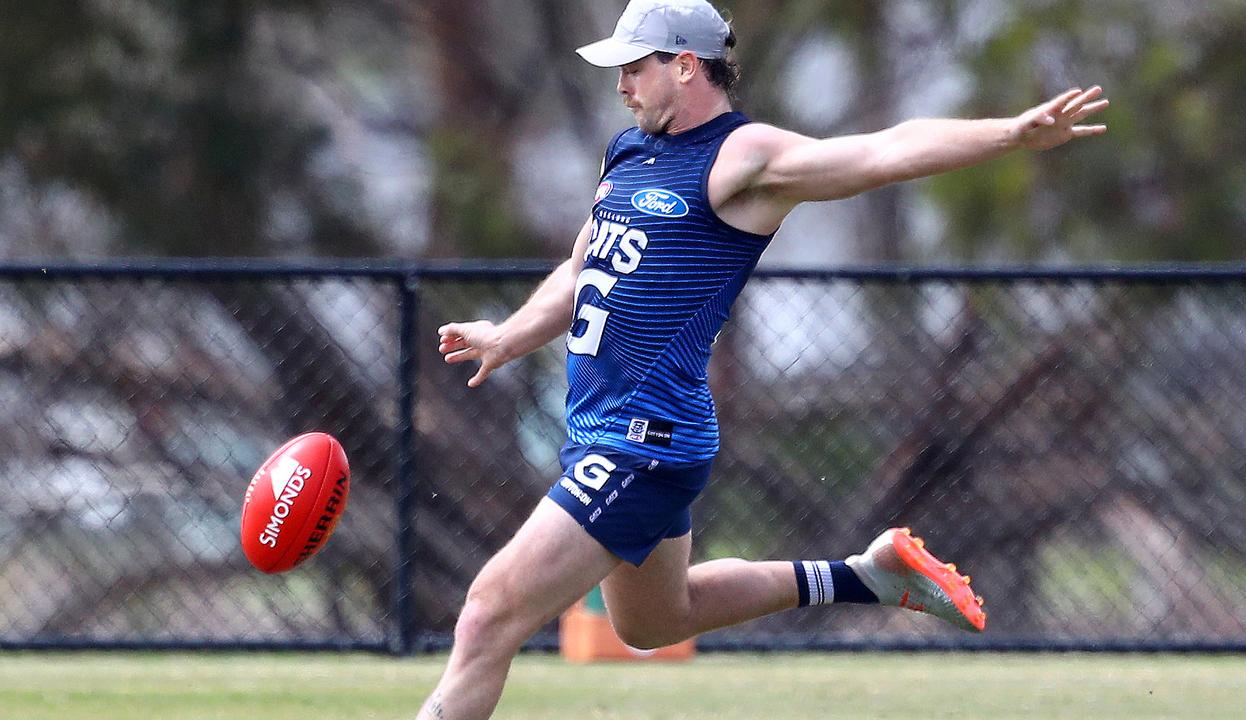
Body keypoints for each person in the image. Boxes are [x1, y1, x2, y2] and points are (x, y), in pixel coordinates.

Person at [421, 1, 1107, 717]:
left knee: (486, 614)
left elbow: (883, 151)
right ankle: (863, 578)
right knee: (654, 621)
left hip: (642, 444)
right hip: (603, 429)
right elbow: (583, 265)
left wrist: (1009, 134)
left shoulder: (745, 159)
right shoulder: (627, 150)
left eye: (633, 67)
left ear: (684, 66)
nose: (621, 83)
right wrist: (511, 334)